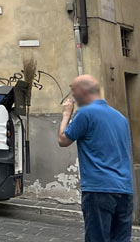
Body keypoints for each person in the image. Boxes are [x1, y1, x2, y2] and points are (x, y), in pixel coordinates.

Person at [58, 74, 133, 242]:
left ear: (82, 91)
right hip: (124, 188)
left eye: (73, 90)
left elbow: (63, 140)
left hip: (98, 188)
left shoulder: (85, 113)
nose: (72, 96)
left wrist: (66, 115)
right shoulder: (120, 118)